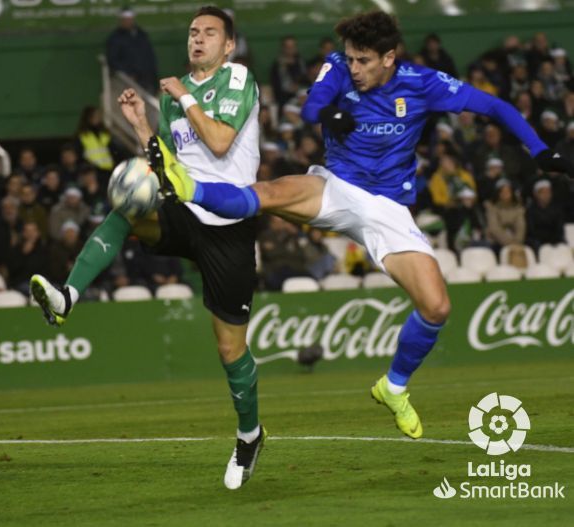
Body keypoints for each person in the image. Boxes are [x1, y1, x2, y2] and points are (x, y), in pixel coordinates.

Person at [155, 11, 574, 440]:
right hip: (336, 187)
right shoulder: (338, 66)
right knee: (267, 193)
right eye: (351, 58)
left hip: (387, 209)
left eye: (364, 61)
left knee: (437, 307)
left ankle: (393, 387)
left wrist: (539, 149)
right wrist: (330, 114)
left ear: (389, 58)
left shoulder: (422, 83)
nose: (353, 68)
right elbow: (312, 107)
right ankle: (188, 189)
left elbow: (494, 106)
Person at [31, 7, 265, 490]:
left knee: (229, 349)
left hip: (230, 223)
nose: (198, 39)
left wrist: (182, 96)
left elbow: (221, 142)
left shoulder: (237, 79)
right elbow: (167, 166)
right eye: (193, 32)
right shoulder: (177, 95)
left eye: (210, 33)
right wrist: (142, 125)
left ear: (228, 46)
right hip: (185, 210)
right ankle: (68, 296)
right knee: (127, 207)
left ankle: (250, 435)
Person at [105, 7, 158, 93]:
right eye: (125, 19)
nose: (128, 21)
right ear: (121, 20)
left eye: (130, 19)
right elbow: (113, 60)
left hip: (146, 80)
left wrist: (153, 78)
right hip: (127, 82)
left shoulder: (141, 35)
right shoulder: (115, 38)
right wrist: (127, 74)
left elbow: (150, 57)